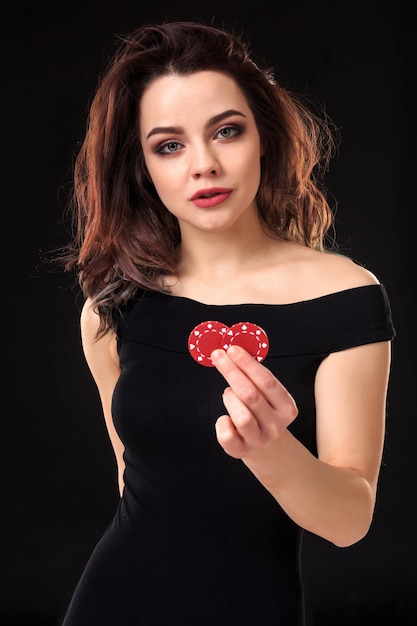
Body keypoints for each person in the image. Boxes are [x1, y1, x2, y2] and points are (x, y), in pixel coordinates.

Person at [59, 20, 395, 626]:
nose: (204, 165)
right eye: (169, 145)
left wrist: (271, 451)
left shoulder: (346, 296)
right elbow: (133, 492)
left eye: (227, 132)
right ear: (142, 166)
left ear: (262, 137)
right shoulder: (112, 311)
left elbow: (350, 521)